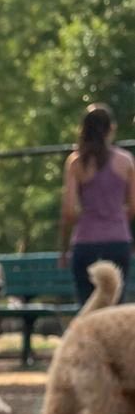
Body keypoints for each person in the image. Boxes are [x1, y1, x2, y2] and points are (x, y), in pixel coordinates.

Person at [59, 103, 135, 304]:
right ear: (112, 128)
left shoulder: (76, 162)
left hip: (86, 241)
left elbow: (68, 211)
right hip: (118, 241)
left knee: (88, 310)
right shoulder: (126, 161)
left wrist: (65, 248)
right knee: (115, 307)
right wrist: (115, 218)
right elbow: (133, 207)